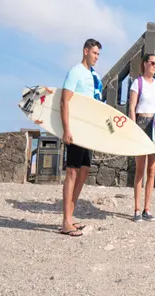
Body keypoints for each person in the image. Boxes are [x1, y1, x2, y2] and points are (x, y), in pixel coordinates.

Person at [59, 38, 103, 237]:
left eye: (98, 54)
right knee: (72, 172)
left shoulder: (94, 76)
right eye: (94, 53)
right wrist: (66, 129)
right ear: (85, 51)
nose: (96, 57)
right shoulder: (75, 72)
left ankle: (70, 216)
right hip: (75, 129)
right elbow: (64, 101)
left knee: (84, 171)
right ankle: (65, 222)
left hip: (87, 132)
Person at [128, 53, 155, 222]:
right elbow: (131, 107)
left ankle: (147, 208)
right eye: (152, 63)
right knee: (140, 169)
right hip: (141, 124)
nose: (154, 66)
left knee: (152, 169)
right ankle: (137, 209)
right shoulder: (137, 83)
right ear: (144, 64)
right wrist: (132, 127)